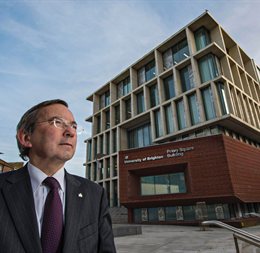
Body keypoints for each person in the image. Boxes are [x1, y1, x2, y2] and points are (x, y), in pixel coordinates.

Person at [0, 99, 116, 253]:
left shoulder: (95, 194)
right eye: (57, 122)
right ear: (26, 137)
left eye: (74, 126)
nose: (71, 132)